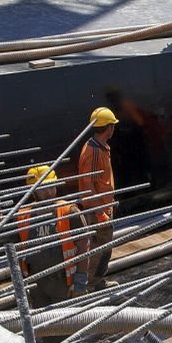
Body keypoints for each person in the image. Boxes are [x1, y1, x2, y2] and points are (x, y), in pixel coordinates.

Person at [15, 165, 90, 307]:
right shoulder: (22, 216)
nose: (49, 192)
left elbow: (84, 247)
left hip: (64, 284)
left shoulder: (69, 212)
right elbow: (17, 252)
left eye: (52, 186)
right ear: (33, 191)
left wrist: (80, 281)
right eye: (43, 189)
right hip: (37, 284)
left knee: (69, 324)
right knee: (44, 326)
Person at [78, 107, 119, 291]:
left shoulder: (100, 147)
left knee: (105, 249)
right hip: (97, 211)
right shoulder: (93, 152)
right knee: (98, 251)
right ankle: (92, 285)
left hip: (104, 207)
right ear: (109, 128)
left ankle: (97, 282)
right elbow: (88, 187)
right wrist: (100, 212)